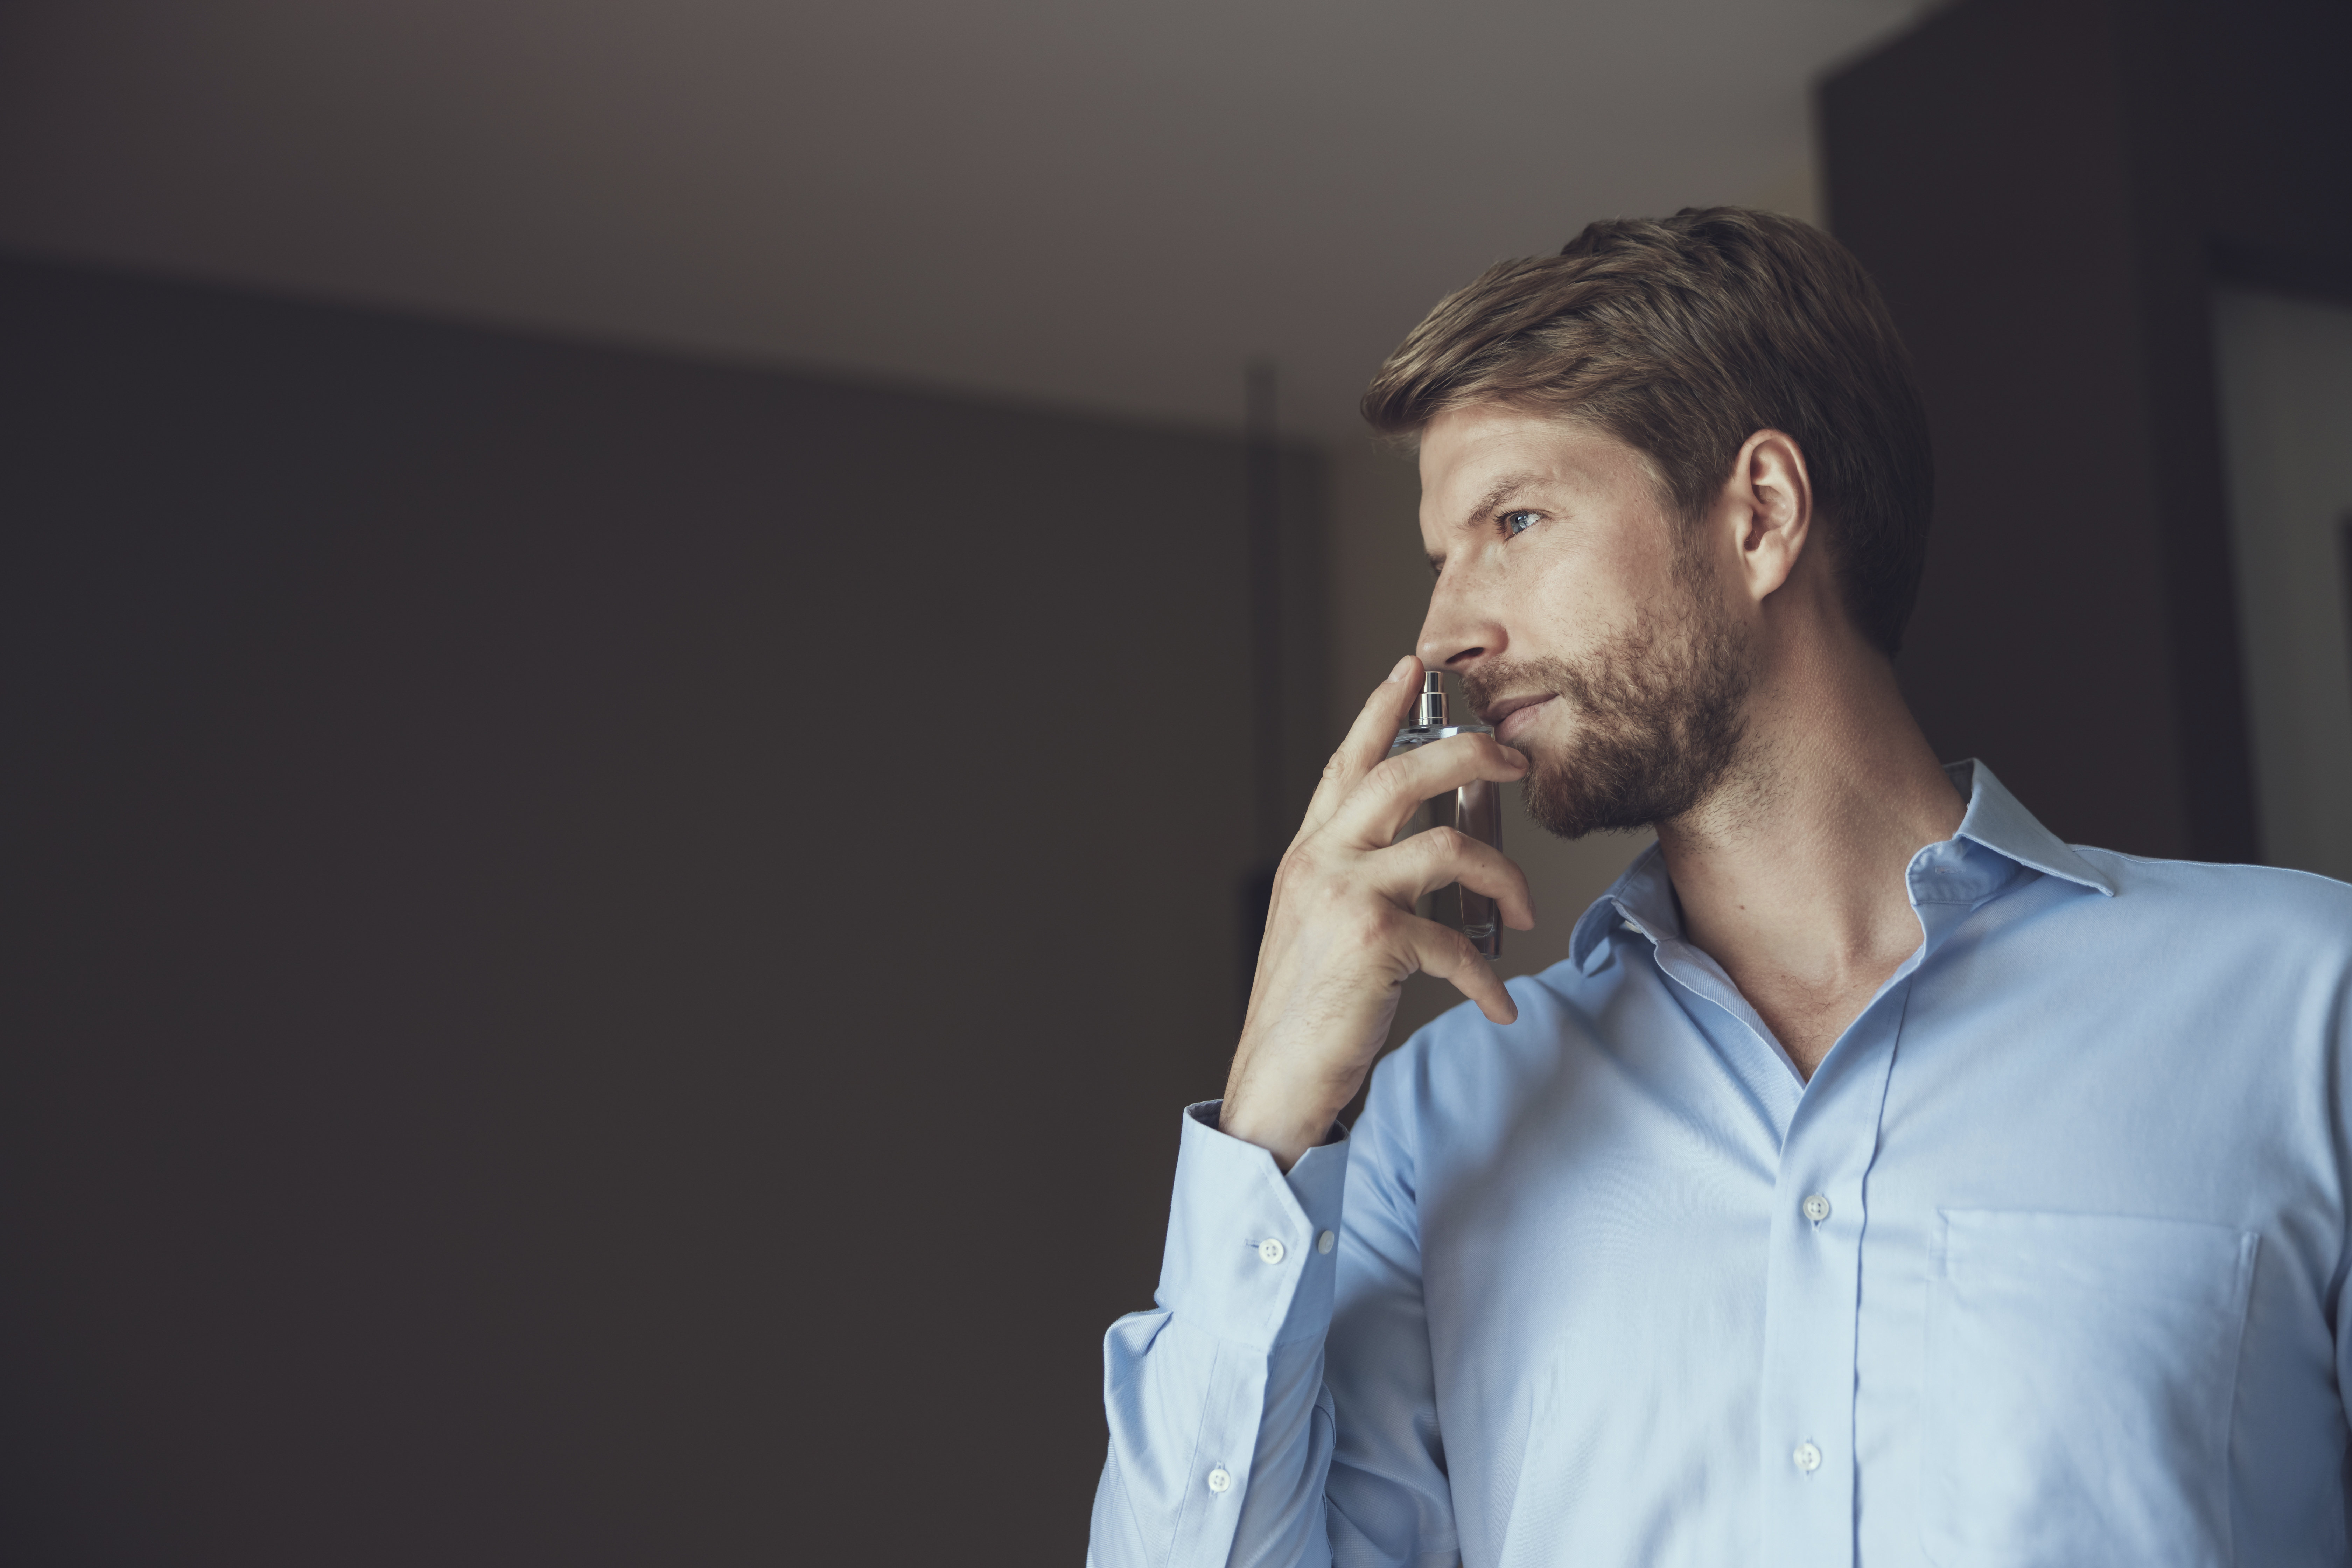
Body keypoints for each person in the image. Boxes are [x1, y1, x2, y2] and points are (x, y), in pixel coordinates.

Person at [1087, 207, 2352, 1567]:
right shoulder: (1439, 1122)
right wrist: (1270, 1120)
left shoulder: (2304, 1006)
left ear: (1760, 514)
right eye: (1439, 555)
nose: (1445, 630)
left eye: (1515, 519)